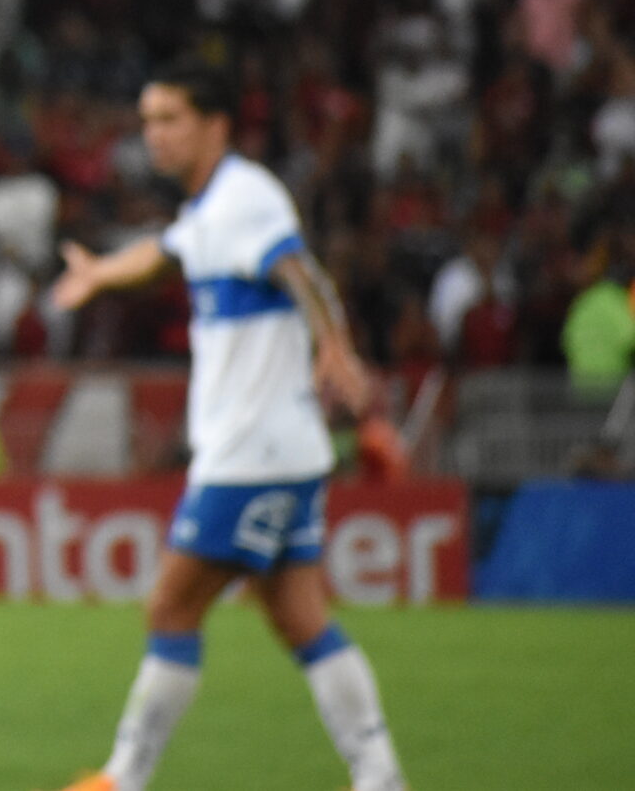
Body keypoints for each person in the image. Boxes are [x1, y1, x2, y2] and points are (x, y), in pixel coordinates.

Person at [46, 60, 406, 791]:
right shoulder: (209, 210)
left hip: (252, 452)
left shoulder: (248, 197)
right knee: (300, 617)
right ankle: (380, 776)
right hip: (279, 447)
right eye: (147, 120)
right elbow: (164, 254)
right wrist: (101, 273)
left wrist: (335, 345)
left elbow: (299, 271)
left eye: (169, 119)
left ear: (215, 125)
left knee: (171, 605)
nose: (154, 134)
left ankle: (124, 777)